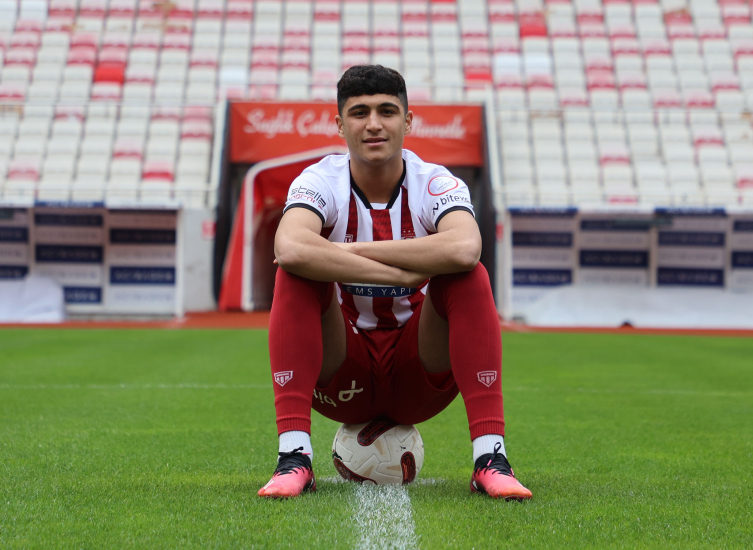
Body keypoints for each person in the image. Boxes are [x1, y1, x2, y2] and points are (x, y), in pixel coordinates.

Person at [258, 65, 532, 500]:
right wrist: (404, 271)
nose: (373, 124)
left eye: (387, 111)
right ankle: (293, 458)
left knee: (468, 275)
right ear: (340, 124)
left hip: (418, 376)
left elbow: (465, 248)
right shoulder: (319, 181)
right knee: (295, 273)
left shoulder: (435, 182)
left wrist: (344, 253)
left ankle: (490, 459)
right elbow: (290, 247)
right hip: (341, 375)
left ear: (408, 121)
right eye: (359, 113)